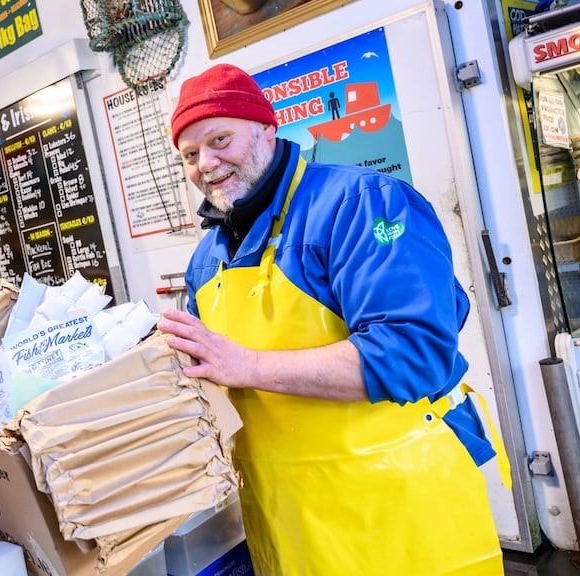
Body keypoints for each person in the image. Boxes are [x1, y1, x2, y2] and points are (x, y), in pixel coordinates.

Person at [157, 63, 508, 575]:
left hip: (399, 516)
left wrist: (249, 366)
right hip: (287, 521)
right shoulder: (208, 255)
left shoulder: (361, 203)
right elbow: (208, 372)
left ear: (266, 128)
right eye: (190, 155)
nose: (206, 164)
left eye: (220, 139)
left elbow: (413, 353)